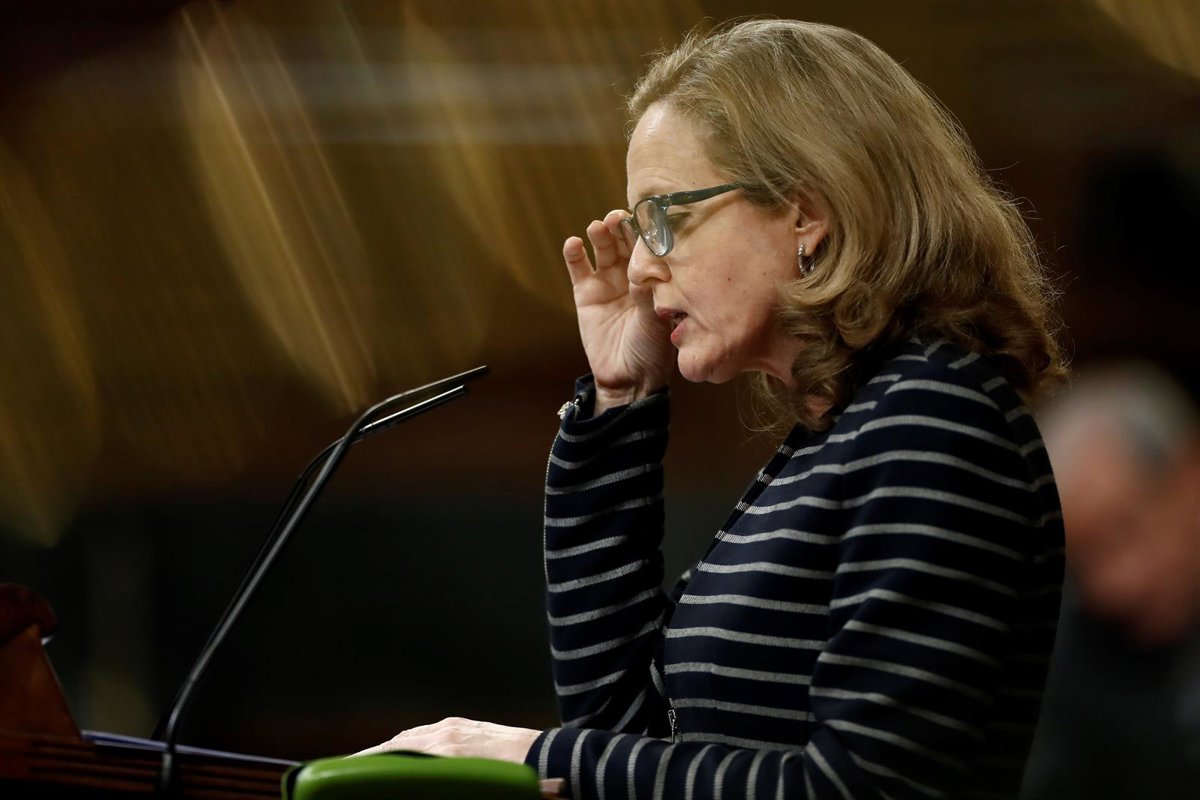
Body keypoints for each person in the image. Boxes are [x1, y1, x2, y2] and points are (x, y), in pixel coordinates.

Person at [360, 19, 1066, 799]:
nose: (639, 266)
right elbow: (622, 737)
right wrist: (620, 404)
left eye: (664, 217)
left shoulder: (931, 419)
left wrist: (533, 756)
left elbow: (865, 788)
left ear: (805, 212)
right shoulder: (843, 432)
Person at [1021, 364, 1200, 799]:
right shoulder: (1070, 665)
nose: (1115, 587)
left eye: (1125, 531)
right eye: (1085, 564)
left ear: (1189, 477)